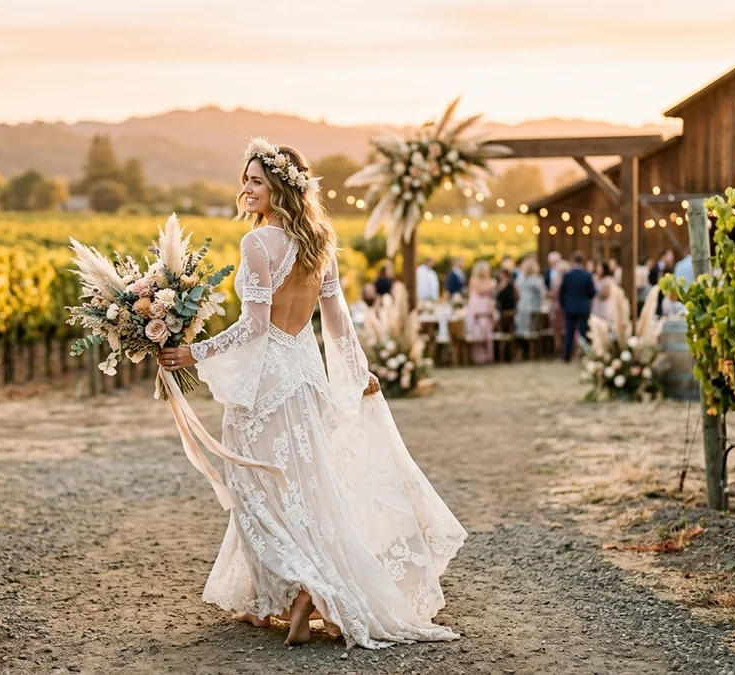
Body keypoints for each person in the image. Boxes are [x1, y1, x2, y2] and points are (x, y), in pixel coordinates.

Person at [158, 139, 465, 650]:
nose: (246, 189)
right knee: (307, 490)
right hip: (305, 375)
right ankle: (280, 597)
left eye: (256, 180)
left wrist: (197, 353)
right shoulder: (319, 239)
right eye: (246, 179)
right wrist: (355, 369)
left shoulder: (257, 246)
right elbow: (337, 319)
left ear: (279, 187)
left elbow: (254, 326)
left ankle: (304, 589)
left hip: (264, 384)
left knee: (258, 489)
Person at [558, 251, 597, 362]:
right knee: (583, 332)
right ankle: (584, 355)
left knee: (569, 332)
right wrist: (586, 299)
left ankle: (567, 356)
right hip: (583, 307)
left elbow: (561, 292)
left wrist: (564, 305)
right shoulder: (586, 275)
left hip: (570, 307)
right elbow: (592, 292)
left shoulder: (568, 275)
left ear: (572, 261)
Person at [465, 261, 497, 364]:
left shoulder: (487, 280)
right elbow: (480, 291)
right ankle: (479, 357)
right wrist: (491, 285)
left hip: (486, 306)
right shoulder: (475, 280)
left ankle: (488, 355)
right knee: (479, 330)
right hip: (478, 306)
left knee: (487, 330)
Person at [514, 257, 546, 339]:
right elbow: (543, 293)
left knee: (523, 330)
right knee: (534, 330)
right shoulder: (537, 280)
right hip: (534, 307)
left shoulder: (520, 280)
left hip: (522, 307)